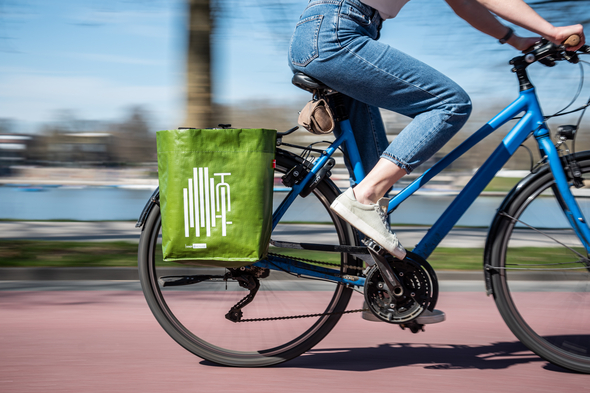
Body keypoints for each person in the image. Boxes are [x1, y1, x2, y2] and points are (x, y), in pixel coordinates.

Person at [288, 0, 585, 324]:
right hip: (336, 34)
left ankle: (387, 287)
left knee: (376, 173)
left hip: (330, 32)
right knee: (450, 103)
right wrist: (552, 31)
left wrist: (515, 40)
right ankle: (364, 198)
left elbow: (464, 4)